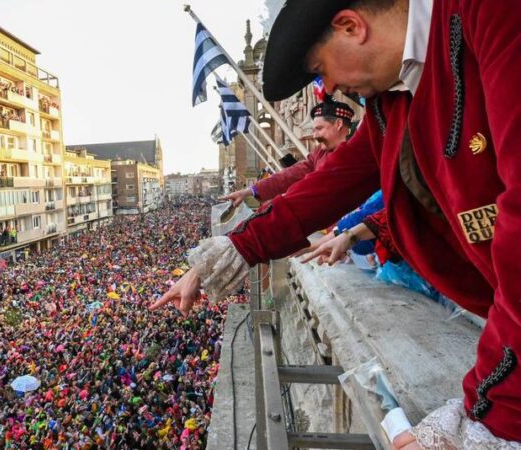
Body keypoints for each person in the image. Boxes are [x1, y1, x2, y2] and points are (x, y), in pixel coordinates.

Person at [152, 0, 521, 446]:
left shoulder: (493, 15)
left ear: (351, 26)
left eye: (320, 71)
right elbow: (330, 181)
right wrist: (239, 247)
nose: (328, 88)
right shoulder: (394, 98)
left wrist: (495, 414)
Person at [221, 98, 355, 206]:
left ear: (338, 124)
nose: (314, 136)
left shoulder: (360, 149)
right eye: (313, 130)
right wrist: (250, 191)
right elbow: (289, 175)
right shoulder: (320, 152)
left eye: (319, 129)